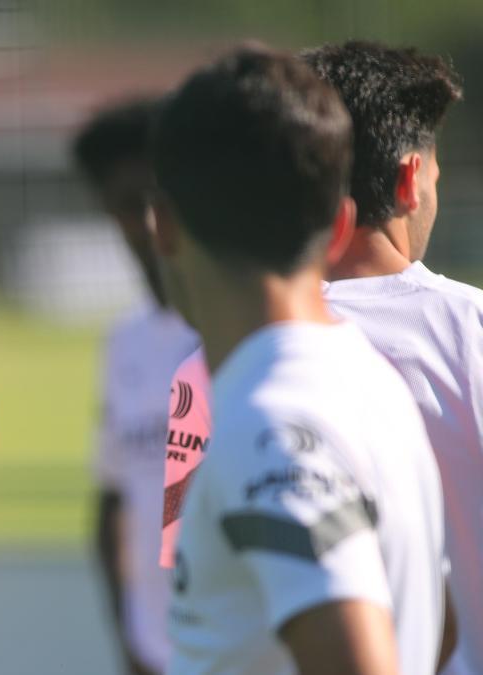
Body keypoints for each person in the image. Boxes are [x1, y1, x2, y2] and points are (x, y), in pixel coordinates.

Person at [157, 41, 472, 673]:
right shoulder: (369, 379)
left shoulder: (272, 419)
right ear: (336, 224)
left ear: (164, 226)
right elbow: (440, 624)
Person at [72, 99, 197, 675]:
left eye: (158, 200)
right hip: (155, 652)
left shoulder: (233, 331)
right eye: (128, 206)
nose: (147, 223)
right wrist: (129, 637)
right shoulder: (126, 341)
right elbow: (113, 500)